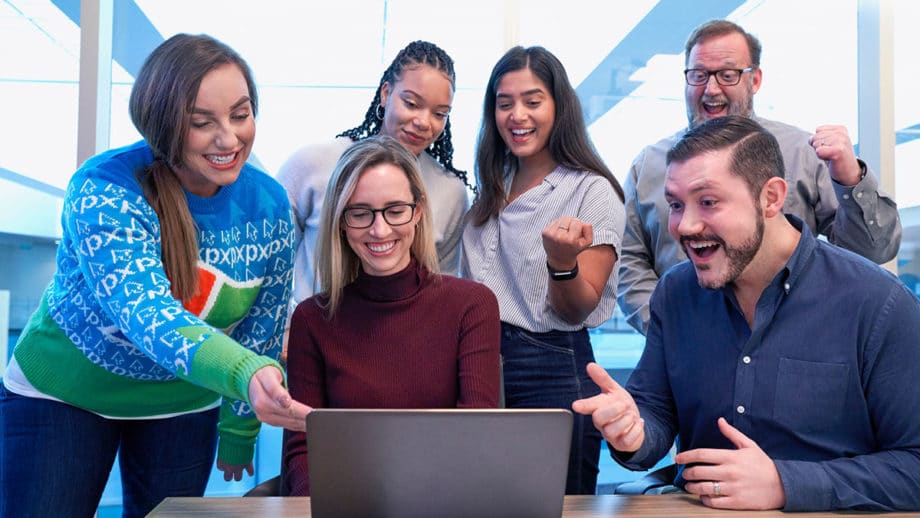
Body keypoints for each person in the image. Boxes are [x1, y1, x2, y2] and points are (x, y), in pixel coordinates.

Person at [0, 34, 310, 517]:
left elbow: (263, 325)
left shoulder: (267, 203)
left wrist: (240, 427)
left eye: (240, 114)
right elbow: (147, 314)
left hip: (182, 404)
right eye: (201, 122)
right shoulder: (104, 188)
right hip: (66, 394)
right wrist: (244, 374)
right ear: (162, 123)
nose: (228, 138)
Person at [573, 115, 920, 512]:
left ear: (771, 198)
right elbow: (655, 412)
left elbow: (914, 463)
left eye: (708, 202)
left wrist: (787, 484)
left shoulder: (877, 302)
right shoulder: (676, 292)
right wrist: (633, 432)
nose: (684, 225)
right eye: (675, 204)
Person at [618, 19, 902, 335]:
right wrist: (669, 328)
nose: (711, 89)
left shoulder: (803, 153)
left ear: (755, 80)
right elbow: (628, 264)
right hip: (685, 353)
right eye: (698, 75)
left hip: (793, 343)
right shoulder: (648, 165)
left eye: (728, 75)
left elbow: (870, 254)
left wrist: (850, 180)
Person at [281, 136, 501, 496]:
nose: (379, 230)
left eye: (395, 210)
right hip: (345, 505)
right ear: (340, 222)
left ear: (417, 211)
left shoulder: (471, 306)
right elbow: (302, 452)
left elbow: (474, 438)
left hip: (443, 504)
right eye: (360, 213)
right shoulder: (312, 320)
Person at [462, 46, 626, 495]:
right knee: (479, 501)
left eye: (533, 101)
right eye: (504, 102)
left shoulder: (592, 191)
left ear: (559, 107)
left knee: (555, 504)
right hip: (480, 361)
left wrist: (561, 263)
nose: (518, 115)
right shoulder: (491, 186)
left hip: (552, 365)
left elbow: (577, 309)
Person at [276, 40, 472, 307]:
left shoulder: (451, 193)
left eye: (439, 113)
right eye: (412, 103)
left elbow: (439, 288)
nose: (424, 122)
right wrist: (288, 326)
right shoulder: (312, 164)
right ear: (386, 93)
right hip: (309, 334)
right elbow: (271, 262)